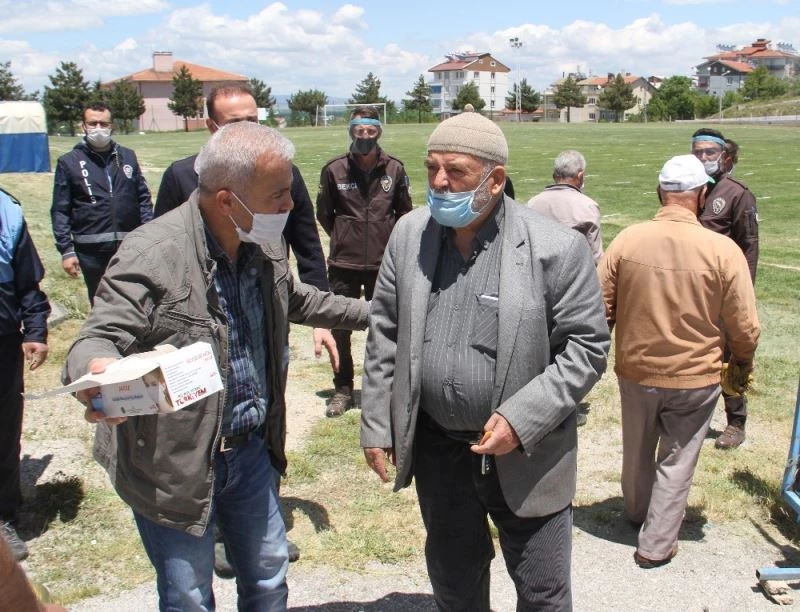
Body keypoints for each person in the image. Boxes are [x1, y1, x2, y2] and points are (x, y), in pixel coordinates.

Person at [64, 122, 369, 611]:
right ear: (228, 200)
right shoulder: (153, 253)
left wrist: (379, 315)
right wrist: (98, 370)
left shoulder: (263, 241)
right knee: (188, 595)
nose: (289, 208)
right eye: (278, 197)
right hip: (174, 464)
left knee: (269, 574)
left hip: (249, 452)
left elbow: (297, 299)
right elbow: (97, 336)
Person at [360, 113, 610, 610]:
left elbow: (587, 347)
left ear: (495, 180)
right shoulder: (409, 235)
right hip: (439, 450)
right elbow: (384, 331)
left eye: (455, 171)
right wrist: (376, 422)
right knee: (454, 580)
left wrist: (521, 420)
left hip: (527, 455)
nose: (438, 182)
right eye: (432, 167)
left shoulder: (556, 247)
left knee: (542, 591)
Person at [155, 82, 333, 569]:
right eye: (235, 122)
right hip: (207, 332)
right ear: (212, 127)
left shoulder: (282, 170)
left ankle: (263, 518)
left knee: (263, 415)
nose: (248, 129)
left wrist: (322, 321)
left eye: (254, 118)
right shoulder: (179, 177)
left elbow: (305, 240)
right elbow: (164, 250)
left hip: (264, 321)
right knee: (211, 424)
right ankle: (211, 529)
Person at [598, 154, 760, 568]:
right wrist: (741, 360)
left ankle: (636, 514)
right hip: (695, 375)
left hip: (635, 370)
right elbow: (744, 323)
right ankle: (655, 543)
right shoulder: (722, 249)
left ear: (660, 192)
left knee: (636, 449)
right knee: (678, 457)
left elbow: (598, 306)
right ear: (702, 196)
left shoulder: (627, 240)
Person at [316, 106, 412, 417]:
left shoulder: (395, 169)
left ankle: (383, 390)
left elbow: (405, 215)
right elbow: (324, 214)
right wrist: (346, 236)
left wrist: (385, 241)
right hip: (344, 263)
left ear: (378, 132)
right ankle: (343, 389)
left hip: (385, 264)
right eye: (359, 131)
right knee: (340, 328)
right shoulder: (334, 170)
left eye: (371, 131)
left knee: (385, 327)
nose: (365, 136)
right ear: (351, 131)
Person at [690, 128, 759, 449]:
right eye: (697, 152)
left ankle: (736, 422)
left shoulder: (737, 194)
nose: (703, 158)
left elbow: (749, 247)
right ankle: (691, 417)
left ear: (724, 157)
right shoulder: (691, 188)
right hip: (692, 290)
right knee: (694, 355)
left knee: (729, 359)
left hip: (724, 292)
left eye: (709, 153)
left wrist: (742, 294)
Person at [51, 103, 152, 304]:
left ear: (111, 126)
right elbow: (61, 210)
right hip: (91, 249)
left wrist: (150, 235)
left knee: (135, 299)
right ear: (84, 126)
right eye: (93, 123)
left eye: (103, 123)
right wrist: (66, 250)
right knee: (101, 303)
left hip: (129, 246)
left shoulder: (127, 156)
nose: (98, 128)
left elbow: (143, 199)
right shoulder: (69, 162)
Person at [0, 187, 50, 563]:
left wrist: (35, 331)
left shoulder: (7, 211)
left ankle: (3, 517)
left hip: (2, 342)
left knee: (3, 430)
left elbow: (26, 283)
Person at [527, 149, 604, 264]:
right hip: (573, 276)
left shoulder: (532, 204)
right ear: (580, 175)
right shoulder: (588, 207)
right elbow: (596, 258)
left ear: (554, 176)